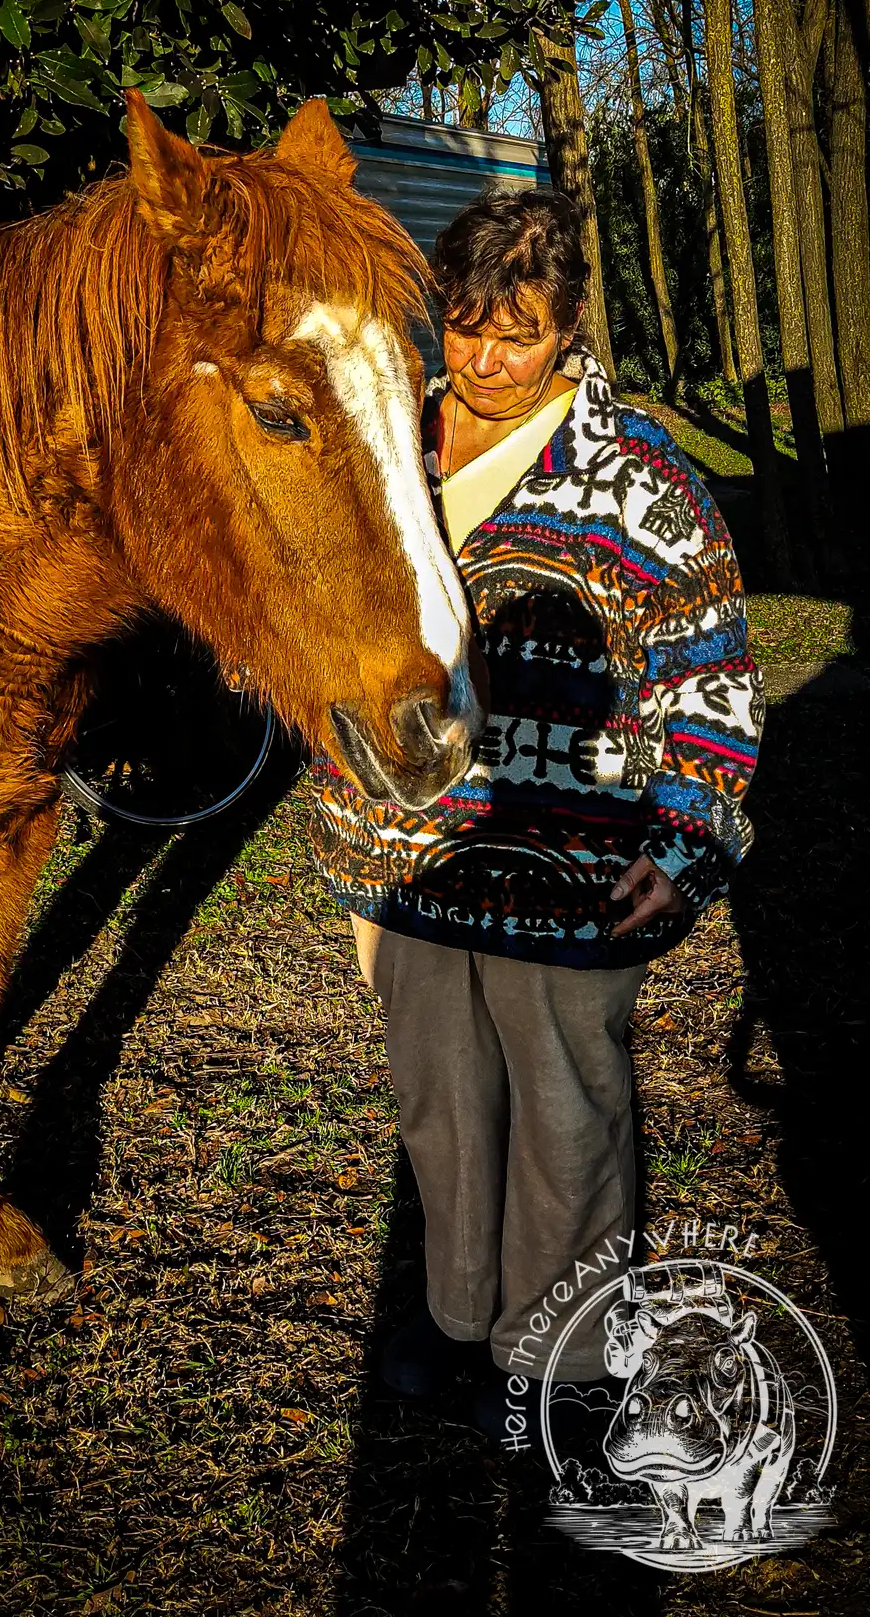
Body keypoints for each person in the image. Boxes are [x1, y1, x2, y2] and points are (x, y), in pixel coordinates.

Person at [309, 187, 765, 1443]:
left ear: (569, 328)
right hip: (407, 854)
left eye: (519, 332)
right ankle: (458, 1318)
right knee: (442, 1104)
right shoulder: (384, 436)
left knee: (567, 1111)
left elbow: (711, 672)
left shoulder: (639, 479)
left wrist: (688, 842)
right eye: (464, 326)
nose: (486, 359)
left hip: (573, 877)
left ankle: (561, 1349)